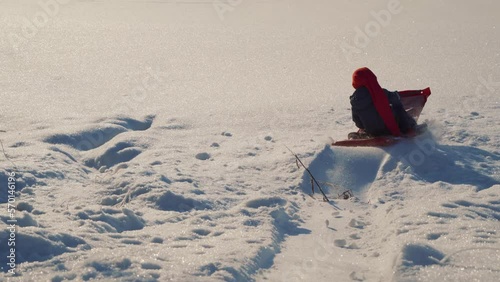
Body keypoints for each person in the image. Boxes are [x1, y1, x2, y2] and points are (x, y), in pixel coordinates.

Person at [350, 67, 417, 137]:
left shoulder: (355, 100)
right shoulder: (382, 93)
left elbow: (357, 121)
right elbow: (396, 100)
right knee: (397, 107)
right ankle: (409, 128)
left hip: (373, 132)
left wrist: (363, 126)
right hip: (390, 129)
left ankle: (363, 135)